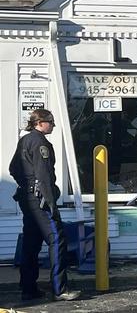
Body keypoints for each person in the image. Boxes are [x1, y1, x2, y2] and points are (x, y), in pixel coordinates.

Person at [9, 109, 81, 301]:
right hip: (40, 200)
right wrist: (51, 204)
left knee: (31, 244)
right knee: (57, 240)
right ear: (40, 122)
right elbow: (44, 176)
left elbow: (13, 168)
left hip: (27, 198)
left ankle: (29, 289)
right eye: (51, 122)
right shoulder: (41, 143)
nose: (53, 125)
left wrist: (26, 185)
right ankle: (60, 289)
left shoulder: (24, 140)